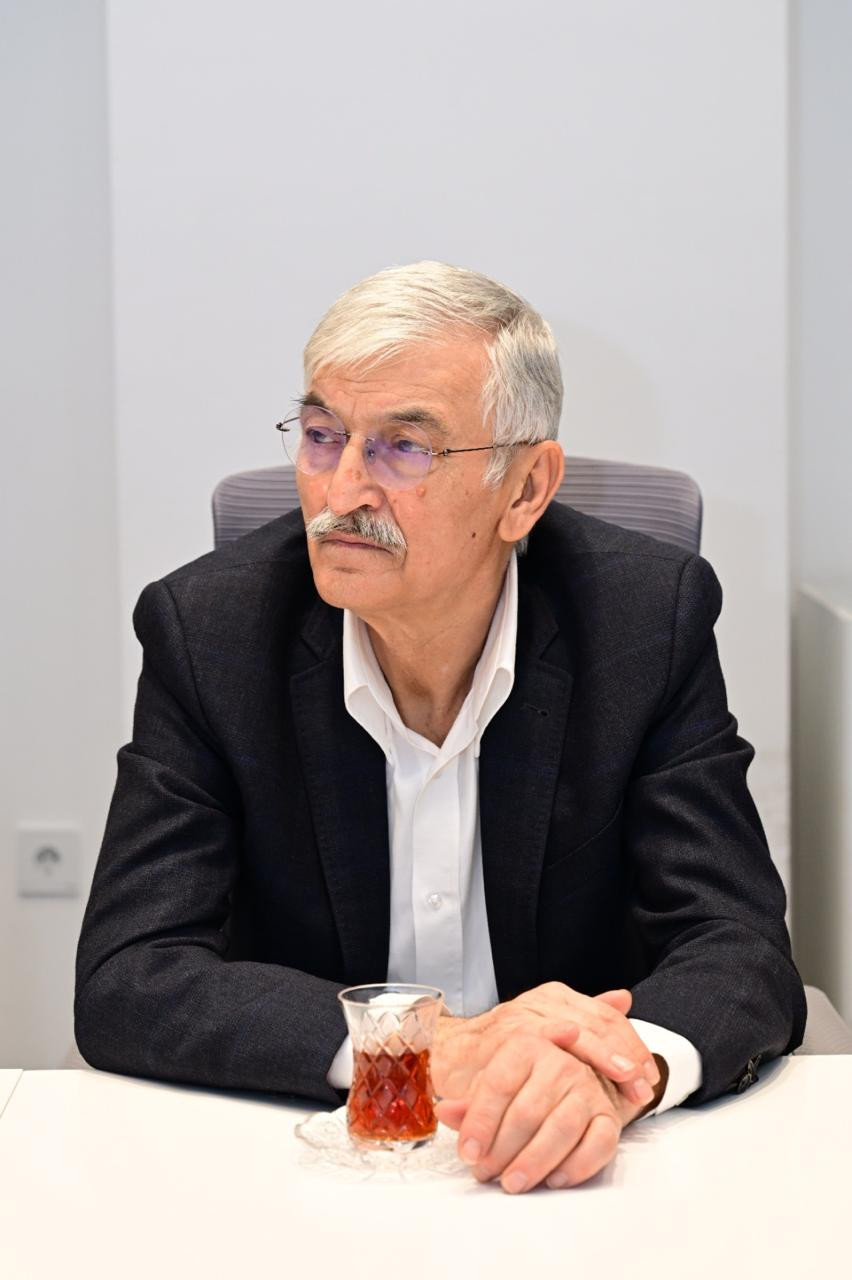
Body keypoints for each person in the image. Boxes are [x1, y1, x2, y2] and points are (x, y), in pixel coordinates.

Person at [75, 261, 806, 1194]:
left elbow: (736, 943)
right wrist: (433, 1049)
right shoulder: (211, 633)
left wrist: (618, 1072)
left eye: (403, 448)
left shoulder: (643, 622)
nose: (341, 490)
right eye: (322, 436)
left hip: (579, 1176)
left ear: (525, 489)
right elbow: (130, 972)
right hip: (310, 1169)